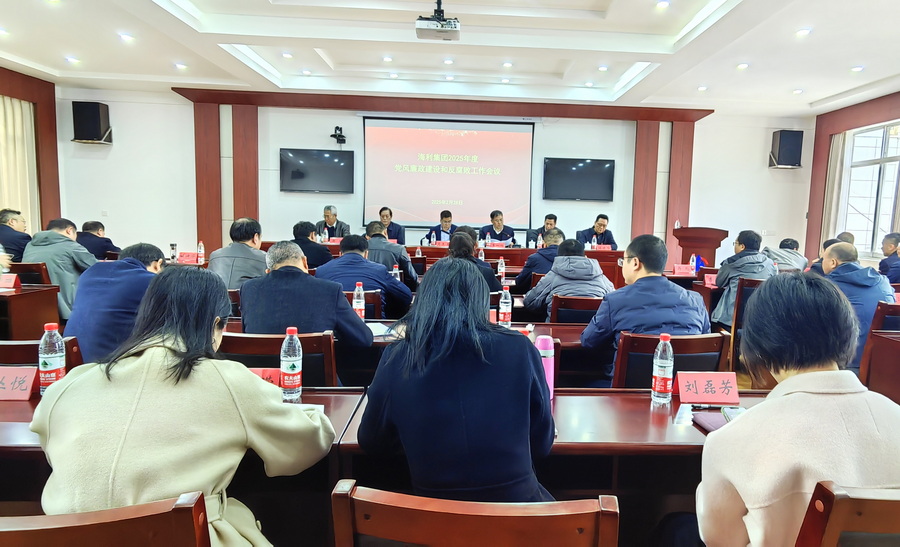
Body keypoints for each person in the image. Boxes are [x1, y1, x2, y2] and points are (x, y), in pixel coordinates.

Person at [31, 266, 336, 547]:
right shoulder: (227, 380)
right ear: (216, 325)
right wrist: (308, 412)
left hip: (64, 537)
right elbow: (307, 442)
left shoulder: (73, 382)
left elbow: (49, 442)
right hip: (183, 536)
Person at [695, 273, 900, 546]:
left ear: (759, 346)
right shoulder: (895, 417)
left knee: (676, 528)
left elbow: (721, 540)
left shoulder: (730, 440)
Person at [358, 258, 555, 502]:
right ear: (481, 301)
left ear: (423, 300)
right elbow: (542, 444)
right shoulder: (519, 348)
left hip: (432, 513)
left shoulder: (398, 356)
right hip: (518, 511)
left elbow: (373, 441)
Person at [580, 235, 710, 380]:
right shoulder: (696, 300)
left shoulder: (615, 300)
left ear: (635, 263)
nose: (622, 265)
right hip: (683, 390)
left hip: (629, 390)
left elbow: (589, 341)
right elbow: (706, 343)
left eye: (623, 261)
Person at [239, 241, 373, 348]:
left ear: (268, 270)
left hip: (258, 373)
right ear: (305, 262)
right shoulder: (330, 290)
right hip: (314, 374)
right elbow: (364, 338)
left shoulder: (248, 289)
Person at [64, 243, 165, 363]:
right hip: (110, 364)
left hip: (71, 359)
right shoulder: (151, 280)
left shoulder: (88, 274)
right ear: (158, 264)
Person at [823, 242, 895, 374]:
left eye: (823, 259)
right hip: (887, 361)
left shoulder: (828, 286)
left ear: (833, 262)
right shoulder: (883, 281)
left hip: (848, 364)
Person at [315, 235, 412, 318]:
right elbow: (406, 296)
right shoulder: (379, 270)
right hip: (371, 329)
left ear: (340, 254)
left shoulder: (322, 270)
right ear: (366, 254)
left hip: (332, 327)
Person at [22, 218, 97, 320]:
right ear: (69, 230)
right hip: (66, 306)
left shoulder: (30, 245)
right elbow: (96, 268)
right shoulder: (70, 245)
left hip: (35, 304)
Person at [524, 239, 615, 321]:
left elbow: (530, 302)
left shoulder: (553, 276)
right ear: (585, 256)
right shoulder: (602, 278)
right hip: (595, 331)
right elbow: (614, 304)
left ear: (559, 257)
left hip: (556, 332)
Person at [710, 230, 777, 327]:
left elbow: (719, 283)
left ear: (742, 246)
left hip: (732, 319)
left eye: (735, 243)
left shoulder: (731, 263)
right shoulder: (770, 263)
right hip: (761, 317)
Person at [207, 218, 267, 290]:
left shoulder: (214, 256)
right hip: (246, 297)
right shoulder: (264, 258)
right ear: (256, 237)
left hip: (216, 297)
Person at [365, 221, 417, 291]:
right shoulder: (399, 249)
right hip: (392, 293)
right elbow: (411, 276)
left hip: (366, 291)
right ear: (385, 232)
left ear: (367, 236)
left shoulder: (360, 249)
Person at [515, 227, 564, 292]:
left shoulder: (534, 258)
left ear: (544, 244)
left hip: (538, 296)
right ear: (563, 244)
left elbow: (520, 282)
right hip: (562, 297)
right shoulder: (569, 260)